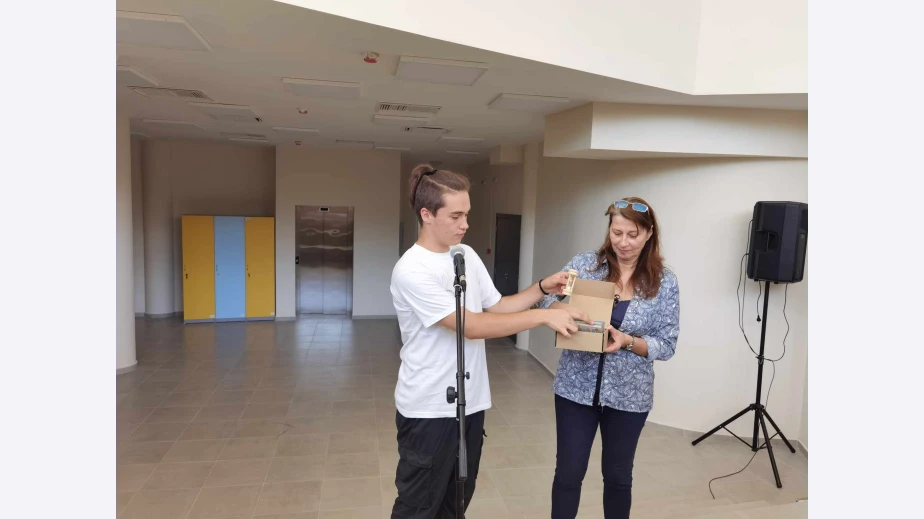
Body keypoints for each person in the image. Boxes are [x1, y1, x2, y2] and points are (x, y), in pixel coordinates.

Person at [389, 164, 590, 519]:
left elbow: (498, 306)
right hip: (428, 408)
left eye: (467, 214)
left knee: (457, 502)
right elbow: (470, 325)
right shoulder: (412, 269)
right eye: (456, 216)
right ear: (426, 214)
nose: (465, 224)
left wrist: (543, 288)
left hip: (470, 403)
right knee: (418, 507)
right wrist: (543, 316)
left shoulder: (464, 255)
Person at [538, 197, 680, 519]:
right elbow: (543, 301)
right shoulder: (586, 265)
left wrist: (629, 342)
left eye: (632, 235)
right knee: (568, 474)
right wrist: (561, 312)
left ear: (649, 233)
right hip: (575, 389)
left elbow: (667, 344)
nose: (623, 242)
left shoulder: (665, 281)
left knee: (618, 477)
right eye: (617, 233)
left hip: (630, 397)